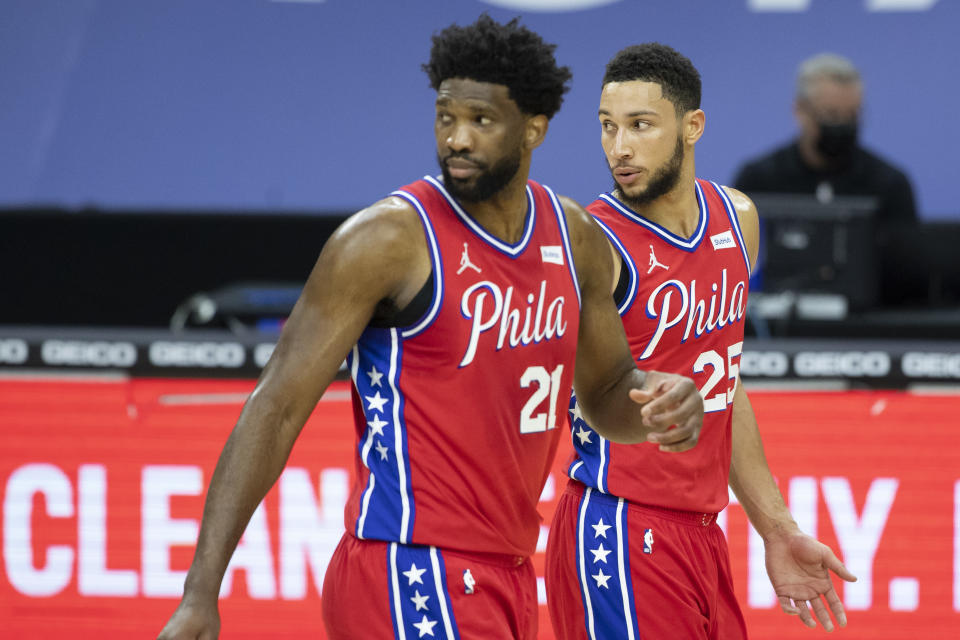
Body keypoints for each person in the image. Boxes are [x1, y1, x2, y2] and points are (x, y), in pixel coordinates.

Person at [156, 17, 705, 640]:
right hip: (406, 566)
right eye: (446, 117)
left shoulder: (573, 236)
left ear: (534, 129)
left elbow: (608, 396)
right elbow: (275, 407)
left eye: (481, 120)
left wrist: (661, 401)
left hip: (507, 574)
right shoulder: (385, 240)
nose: (458, 139)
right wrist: (201, 591)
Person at [545, 43, 857, 640]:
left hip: (703, 533)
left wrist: (776, 527)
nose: (620, 147)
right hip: (617, 528)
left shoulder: (737, 216)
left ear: (693, 127)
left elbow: (723, 382)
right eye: (608, 127)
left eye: (640, 125)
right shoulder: (594, 242)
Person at [733, 52, 918, 307]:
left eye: (852, 116)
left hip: (869, 326)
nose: (842, 126)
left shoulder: (889, 184)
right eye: (831, 116)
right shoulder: (758, 180)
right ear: (800, 111)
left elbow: (908, 273)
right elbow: (731, 267)